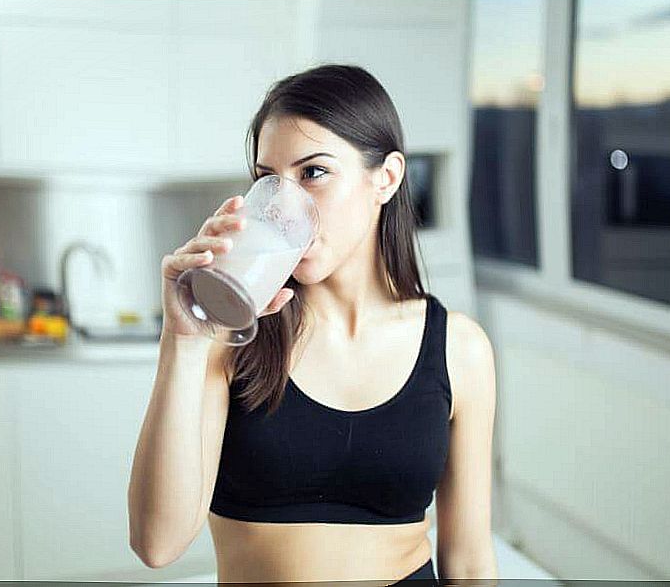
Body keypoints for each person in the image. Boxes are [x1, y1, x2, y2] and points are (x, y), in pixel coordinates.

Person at [128, 64, 498, 584]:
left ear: (386, 178)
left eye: (313, 173)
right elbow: (156, 543)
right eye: (269, 181)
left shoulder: (459, 348)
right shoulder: (230, 339)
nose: (284, 205)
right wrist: (182, 339)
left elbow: (469, 561)